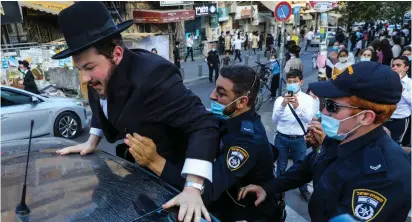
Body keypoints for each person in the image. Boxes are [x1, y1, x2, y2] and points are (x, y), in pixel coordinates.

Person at [52, 2, 219, 222]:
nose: (84, 78)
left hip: (176, 177)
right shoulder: (102, 76)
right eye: (80, 69)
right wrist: (92, 141)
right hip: (139, 175)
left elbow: (204, 124)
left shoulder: (154, 77)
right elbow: (100, 101)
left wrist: (193, 187)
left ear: (117, 54)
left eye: (90, 68)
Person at [238, 62, 411, 222]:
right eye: (324, 103)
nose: (323, 112)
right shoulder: (340, 137)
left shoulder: (384, 176)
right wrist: (268, 188)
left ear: (365, 117)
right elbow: (306, 167)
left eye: (331, 106)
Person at [125, 65, 284, 221]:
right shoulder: (228, 119)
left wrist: (155, 162)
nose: (212, 96)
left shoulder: (246, 141)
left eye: (221, 93)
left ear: (242, 102)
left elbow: (205, 190)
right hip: (226, 201)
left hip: (247, 213)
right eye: (215, 88)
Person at [272, 69, 314, 202]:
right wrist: (283, 105)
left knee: (301, 166)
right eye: (289, 82)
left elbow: (309, 119)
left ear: (301, 82)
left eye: (294, 81)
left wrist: (297, 107)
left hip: (298, 139)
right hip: (281, 138)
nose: (291, 84)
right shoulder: (280, 99)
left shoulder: (308, 99)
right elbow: (275, 119)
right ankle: (279, 190)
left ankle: (303, 190)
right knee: (281, 166)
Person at [384, 56, 411, 144]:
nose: (394, 67)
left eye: (398, 65)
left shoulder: (410, 83)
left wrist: (402, 89)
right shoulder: (387, 81)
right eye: (393, 65)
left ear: (406, 68)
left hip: (401, 119)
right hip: (385, 117)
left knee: (395, 144)